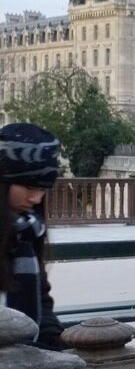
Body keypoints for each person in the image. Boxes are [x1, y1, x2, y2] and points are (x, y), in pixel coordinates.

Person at [0, 124, 64, 350]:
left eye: (44, 188)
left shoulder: (27, 230)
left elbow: (42, 301)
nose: (36, 198)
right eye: (28, 186)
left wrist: (55, 343)